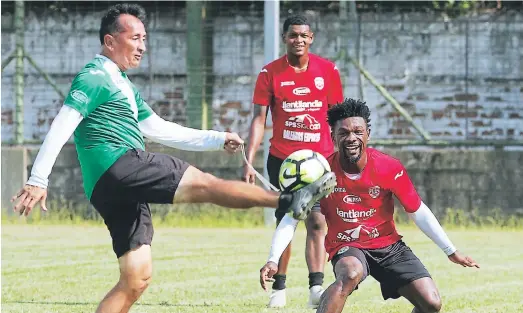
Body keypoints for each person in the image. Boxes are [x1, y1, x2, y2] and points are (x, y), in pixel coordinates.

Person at [10, 4, 337, 313]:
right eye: (135, 38)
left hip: (108, 188)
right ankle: (288, 200)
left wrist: (216, 139)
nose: (143, 46)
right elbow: (62, 123)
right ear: (110, 41)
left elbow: (159, 129)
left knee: (136, 278)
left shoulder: (122, 84)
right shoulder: (96, 75)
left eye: (145, 39)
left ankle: (288, 201)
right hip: (122, 164)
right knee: (206, 185)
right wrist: (38, 179)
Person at [259, 98, 480, 313]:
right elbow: (291, 218)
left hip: (389, 246)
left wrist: (451, 251)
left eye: (358, 132)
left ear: (368, 134)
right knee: (351, 273)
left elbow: (417, 211)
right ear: (333, 137)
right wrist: (272, 259)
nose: (351, 138)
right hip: (347, 246)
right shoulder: (320, 174)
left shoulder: (388, 167)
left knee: (431, 304)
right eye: (343, 133)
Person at [244, 14, 344, 308]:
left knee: (317, 222)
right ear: (284, 38)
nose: (298, 40)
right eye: (292, 35)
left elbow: (338, 118)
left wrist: (341, 158)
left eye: (303, 35)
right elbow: (258, 120)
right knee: (286, 218)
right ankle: (279, 288)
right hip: (284, 162)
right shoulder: (269, 73)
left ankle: (316, 287)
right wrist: (249, 159)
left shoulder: (327, 71)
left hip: (321, 162)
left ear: (311, 39)